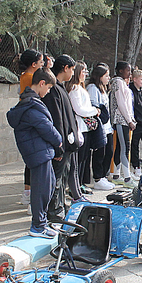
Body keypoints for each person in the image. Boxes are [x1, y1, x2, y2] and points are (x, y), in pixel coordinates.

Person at [7, 68, 62, 238]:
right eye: (49, 88)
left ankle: (42, 222)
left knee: (48, 185)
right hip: (38, 152)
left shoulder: (30, 101)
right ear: (42, 83)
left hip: (40, 151)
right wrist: (58, 141)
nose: (49, 91)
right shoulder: (31, 104)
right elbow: (47, 128)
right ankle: (38, 226)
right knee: (41, 189)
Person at [44, 54, 80, 219]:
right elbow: (57, 121)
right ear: (65, 68)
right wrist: (58, 146)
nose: (73, 73)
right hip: (60, 144)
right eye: (72, 69)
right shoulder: (54, 91)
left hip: (68, 144)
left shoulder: (61, 88)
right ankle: (54, 210)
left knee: (63, 177)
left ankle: (60, 204)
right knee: (56, 179)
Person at [16, 49, 49, 208]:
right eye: (41, 62)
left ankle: (27, 193)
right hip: (32, 120)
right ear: (34, 64)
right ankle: (31, 197)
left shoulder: (24, 76)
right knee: (34, 162)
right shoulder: (30, 78)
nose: (43, 65)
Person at [67, 62, 99, 197]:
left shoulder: (80, 87)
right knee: (79, 159)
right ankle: (75, 186)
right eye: (83, 71)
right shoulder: (74, 89)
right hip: (79, 127)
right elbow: (79, 109)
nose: (85, 74)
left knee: (84, 158)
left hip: (85, 128)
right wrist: (94, 110)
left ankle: (80, 183)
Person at [87, 64, 115, 191]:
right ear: (99, 76)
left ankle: (103, 175)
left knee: (109, 151)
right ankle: (98, 177)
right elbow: (94, 106)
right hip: (100, 126)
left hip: (107, 126)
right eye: (106, 76)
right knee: (100, 152)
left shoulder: (103, 88)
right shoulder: (93, 88)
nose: (108, 78)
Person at [109, 61, 138, 187]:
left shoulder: (123, 83)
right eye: (128, 70)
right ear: (121, 70)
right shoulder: (118, 82)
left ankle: (116, 174)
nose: (130, 73)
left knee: (121, 147)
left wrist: (131, 118)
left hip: (125, 119)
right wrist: (129, 120)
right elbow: (121, 104)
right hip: (120, 119)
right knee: (125, 147)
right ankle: (127, 178)